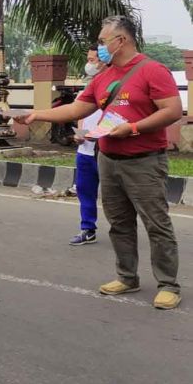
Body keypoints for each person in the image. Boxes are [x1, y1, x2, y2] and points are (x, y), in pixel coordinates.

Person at [14, 15, 183, 310]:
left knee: (156, 223)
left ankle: (168, 284)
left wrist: (132, 128)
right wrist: (36, 115)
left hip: (144, 161)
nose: (100, 48)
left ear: (122, 40)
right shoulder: (103, 78)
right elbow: (78, 107)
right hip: (108, 158)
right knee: (119, 223)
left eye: (104, 41)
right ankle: (127, 277)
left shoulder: (153, 71)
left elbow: (171, 111)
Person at [69, 45, 106, 246]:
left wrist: (98, 136)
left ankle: (124, 232)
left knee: (115, 197)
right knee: (85, 190)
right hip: (85, 151)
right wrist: (80, 134)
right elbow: (79, 116)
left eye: (92, 60)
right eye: (89, 59)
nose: (89, 64)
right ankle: (87, 229)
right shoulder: (86, 91)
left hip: (106, 152)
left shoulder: (113, 90)